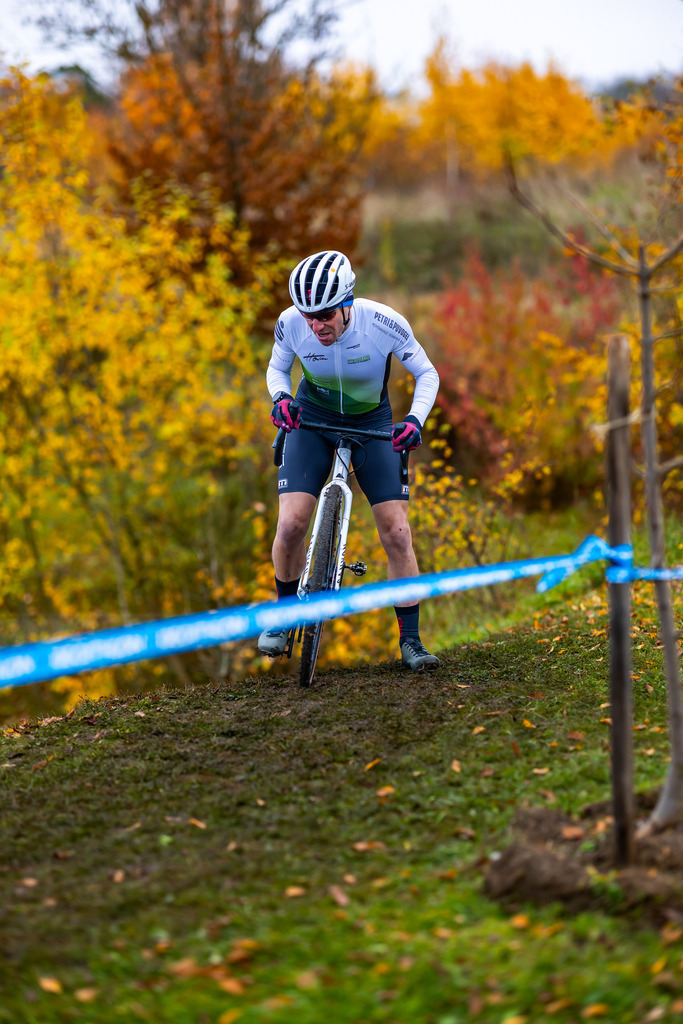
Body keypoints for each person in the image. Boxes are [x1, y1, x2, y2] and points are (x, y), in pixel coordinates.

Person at [258, 249, 440, 671]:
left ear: (346, 304)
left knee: (397, 533)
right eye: (309, 315)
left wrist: (414, 419)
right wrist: (281, 397)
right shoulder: (290, 324)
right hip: (312, 421)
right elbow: (276, 368)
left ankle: (410, 641)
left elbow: (426, 373)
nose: (315, 324)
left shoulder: (383, 323)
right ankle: (286, 617)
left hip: (371, 425)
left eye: (324, 314)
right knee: (290, 525)